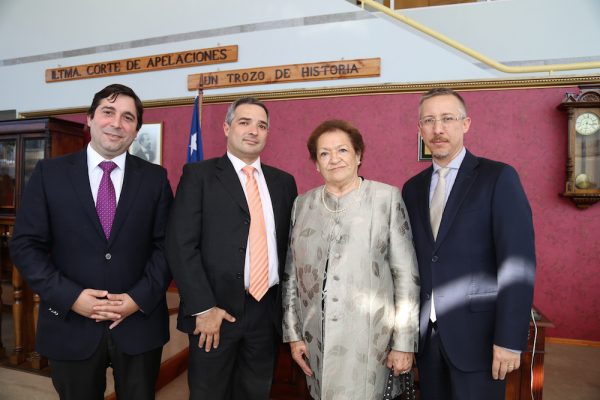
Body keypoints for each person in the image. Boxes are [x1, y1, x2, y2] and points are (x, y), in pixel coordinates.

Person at [9, 83, 173, 400]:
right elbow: (26, 246)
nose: (116, 123)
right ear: (90, 118)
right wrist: (71, 297)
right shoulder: (49, 174)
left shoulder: (155, 179)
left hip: (138, 325)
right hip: (70, 324)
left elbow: (167, 247)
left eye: (128, 117)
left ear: (136, 130)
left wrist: (137, 299)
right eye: (108, 112)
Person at [402, 88, 536, 400]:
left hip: (481, 339)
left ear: (466, 124)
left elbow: (518, 263)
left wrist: (509, 339)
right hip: (427, 340)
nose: (438, 128)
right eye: (429, 120)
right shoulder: (411, 189)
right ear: (420, 129)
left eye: (447, 118)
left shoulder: (498, 177)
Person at [165, 97, 297, 400]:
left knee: (255, 393)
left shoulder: (283, 183)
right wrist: (203, 308)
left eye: (261, 125)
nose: (253, 131)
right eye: (244, 122)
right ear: (227, 128)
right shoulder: (199, 176)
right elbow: (180, 245)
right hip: (215, 312)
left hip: (266, 312)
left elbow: (290, 248)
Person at [281, 119, 420, 400]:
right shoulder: (302, 204)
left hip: (371, 344)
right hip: (316, 343)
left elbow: (406, 275)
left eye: (342, 150)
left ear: (358, 155)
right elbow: (291, 276)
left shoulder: (386, 199)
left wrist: (404, 343)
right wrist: (294, 335)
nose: (334, 159)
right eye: (324, 153)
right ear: (316, 164)